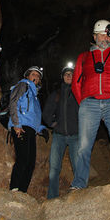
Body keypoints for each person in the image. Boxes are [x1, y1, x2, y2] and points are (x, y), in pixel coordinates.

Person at [70, 20, 110, 189]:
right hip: (89, 103)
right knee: (83, 145)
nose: (104, 38)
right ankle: (79, 184)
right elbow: (76, 83)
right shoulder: (83, 57)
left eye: (107, 34)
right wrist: (83, 100)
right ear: (95, 36)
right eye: (101, 34)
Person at [8, 66, 48, 193]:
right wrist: (16, 124)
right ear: (27, 76)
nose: (35, 77)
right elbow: (13, 102)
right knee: (23, 159)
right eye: (33, 74)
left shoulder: (35, 95)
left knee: (30, 163)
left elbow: (35, 116)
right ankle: (14, 188)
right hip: (21, 126)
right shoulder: (23, 85)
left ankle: (22, 191)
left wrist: (41, 129)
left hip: (31, 129)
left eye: (37, 75)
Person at [42, 62, 79, 199]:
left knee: (77, 166)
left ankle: (80, 193)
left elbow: (87, 112)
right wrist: (52, 123)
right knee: (54, 168)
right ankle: (52, 197)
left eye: (71, 74)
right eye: (66, 74)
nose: (69, 76)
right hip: (59, 136)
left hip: (76, 135)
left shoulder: (79, 93)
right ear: (62, 77)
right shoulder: (56, 94)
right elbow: (46, 112)